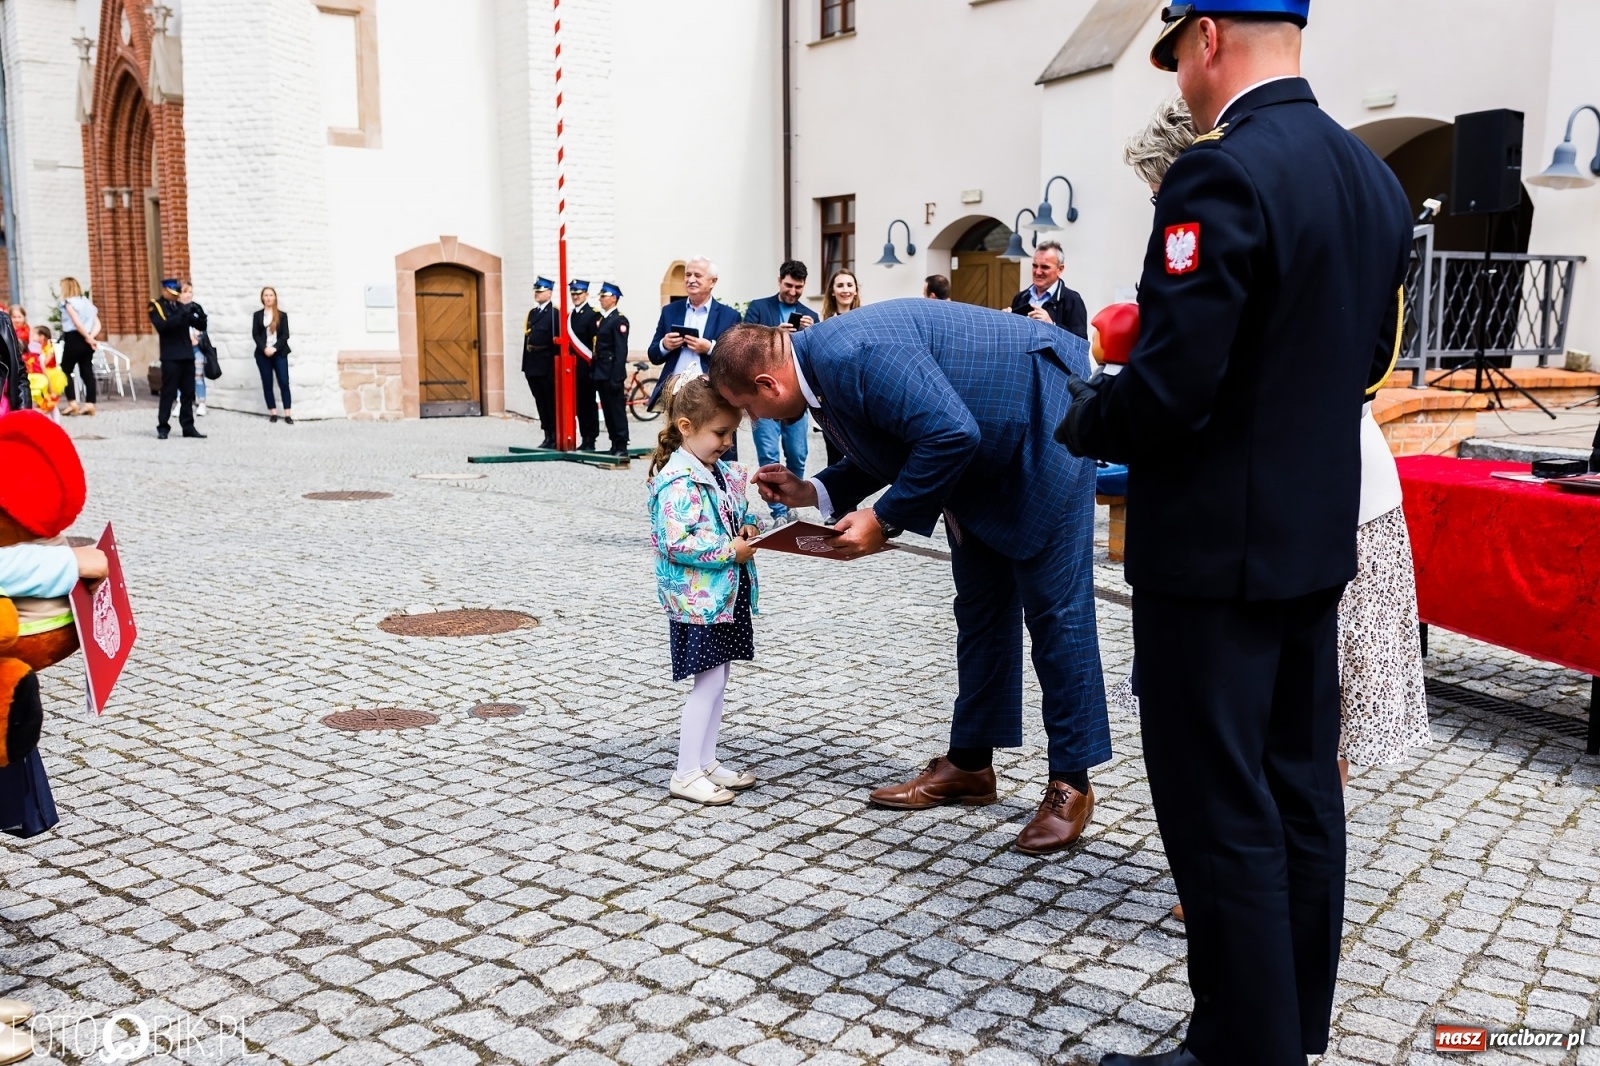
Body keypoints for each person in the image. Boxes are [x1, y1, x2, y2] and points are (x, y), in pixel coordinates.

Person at [1054, 4, 1414, 1063]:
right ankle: (1287, 1028)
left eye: (1175, 58)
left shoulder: (1220, 177)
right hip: (1310, 542)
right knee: (1302, 791)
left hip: (1213, 560)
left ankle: (1239, 1049)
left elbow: (1171, 391)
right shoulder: (1371, 180)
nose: (1178, 84)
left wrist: (1084, 413)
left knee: (1221, 813)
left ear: (1206, 36)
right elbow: (1353, 368)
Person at [711, 301, 1110, 855]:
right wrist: (815, 492)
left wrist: (886, 518)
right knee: (979, 610)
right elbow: (897, 437)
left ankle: (1072, 781)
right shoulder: (819, 369)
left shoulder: (854, 353)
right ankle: (971, 763)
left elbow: (948, 434)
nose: (758, 420)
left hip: (1043, 429)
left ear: (766, 383)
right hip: (983, 453)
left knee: (1056, 614)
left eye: (748, 407)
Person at [647, 373, 761, 806]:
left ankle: (707, 760)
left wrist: (749, 527)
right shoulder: (678, 481)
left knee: (719, 679)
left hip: (723, 597)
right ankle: (686, 772)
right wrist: (728, 551)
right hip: (698, 600)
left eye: (731, 432)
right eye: (720, 432)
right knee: (707, 684)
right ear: (686, 428)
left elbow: (738, 516)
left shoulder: (715, 472)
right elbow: (675, 542)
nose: (728, 441)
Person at [743, 260, 821, 521]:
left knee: (798, 454)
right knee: (768, 454)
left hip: (796, 398)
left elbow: (818, 357)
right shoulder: (759, 308)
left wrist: (812, 334)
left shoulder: (810, 314)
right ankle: (777, 510)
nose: (793, 291)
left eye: (798, 287)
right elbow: (743, 344)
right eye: (789, 285)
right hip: (762, 397)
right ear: (779, 281)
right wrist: (774, 334)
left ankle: (791, 498)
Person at [647, 258, 742, 457]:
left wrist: (710, 348)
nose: (691, 279)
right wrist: (665, 345)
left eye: (697, 275)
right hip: (676, 393)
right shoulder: (670, 311)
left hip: (712, 391)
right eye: (688, 275)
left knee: (717, 442)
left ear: (713, 281)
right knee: (676, 444)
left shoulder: (729, 315)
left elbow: (736, 359)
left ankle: (721, 483)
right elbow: (653, 354)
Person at [814, 269, 862, 467]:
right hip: (833, 397)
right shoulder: (824, 323)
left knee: (860, 454)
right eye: (840, 285)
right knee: (833, 456)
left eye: (849, 285)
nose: (845, 290)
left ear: (856, 290)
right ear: (832, 291)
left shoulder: (864, 319)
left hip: (858, 395)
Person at [151, 278, 208, 439]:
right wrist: (183, 311)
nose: (176, 296)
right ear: (164, 291)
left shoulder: (181, 307)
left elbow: (198, 325)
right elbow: (164, 326)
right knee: (168, 392)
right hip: (171, 356)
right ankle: (163, 426)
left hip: (186, 354)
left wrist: (201, 315)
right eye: (173, 293)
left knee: (188, 393)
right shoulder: (156, 306)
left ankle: (188, 426)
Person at [1010, 241, 1087, 338]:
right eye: (1035, 266)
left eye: (1044, 267)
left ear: (1060, 269)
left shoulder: (1072, 300)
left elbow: (1080, 344)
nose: (1038, 272)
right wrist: (1006, 321)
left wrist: (1052, 325)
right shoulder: (1020, 298)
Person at [593, 282, 631, 456]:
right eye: (601, 296)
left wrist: (616, 377)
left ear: (614, 298)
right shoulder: (604, 319)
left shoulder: (619, 320)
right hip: (601, 371)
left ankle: (621, 445)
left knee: (616, 410)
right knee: (608, 410)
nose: (601, 299)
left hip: (611, 373)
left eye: (604, 296)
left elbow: (620, 351)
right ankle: (614, 443)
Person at [521, 277, 560, 447]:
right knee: (540, 401)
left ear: (550, 293)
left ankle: (553, 435)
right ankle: (546, 433)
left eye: (541, 291)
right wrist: (525, 365)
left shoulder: (554, 313)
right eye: (536, 291)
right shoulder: (533, 313)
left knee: (550, 401)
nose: (537, 294)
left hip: (546, 365)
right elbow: (527, 340)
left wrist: (554, 368)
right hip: (533, 364)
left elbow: (556, 343)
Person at [57, 278, 100, 417]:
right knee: (87, 371)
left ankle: (72, 403)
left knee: (65, 370)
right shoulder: (87, 303)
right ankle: (90, 403)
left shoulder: (69, 302)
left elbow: (76, 322)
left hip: (74, 338)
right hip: (87, 338)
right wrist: (91, 338)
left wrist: (87, 338)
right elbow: (97, 323)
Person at [568, 280, 602, 451]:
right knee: (578, 406)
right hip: (572, 370)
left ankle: (590, 439)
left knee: (588, 405)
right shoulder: (570, 316)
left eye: (578, 294)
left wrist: (593, 368)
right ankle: (583, 436)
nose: (575, 297)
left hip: (587, 368)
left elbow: (595, 345)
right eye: (573, 294)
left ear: (586, 295)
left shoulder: (593, 315)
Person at [253, 286, 294, 424]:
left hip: (279, 353)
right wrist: (264, 348)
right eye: (266, 295)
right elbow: (256, 334)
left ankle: (287, 413)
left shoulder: (282, 315)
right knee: (267, 382)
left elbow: (285, 335)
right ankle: (273, 412)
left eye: (271, 295)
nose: (268, 297)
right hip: (262, 354)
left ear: (275, 297)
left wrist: (274, 348)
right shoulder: (257, 315)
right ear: (262, 298)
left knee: (283, 381)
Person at [182, 281, 210, 418]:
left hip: (197, 347)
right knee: (181, 377)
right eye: (184, 292)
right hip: (182, 347)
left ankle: (201, 402)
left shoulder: (197, 308)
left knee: (198, 376)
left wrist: (197, 336)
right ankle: (180, 402)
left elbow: (203, 326)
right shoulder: (177, 309)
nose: (187, 295)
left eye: (190, 292)